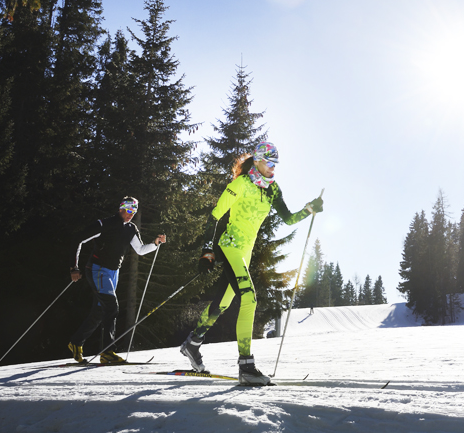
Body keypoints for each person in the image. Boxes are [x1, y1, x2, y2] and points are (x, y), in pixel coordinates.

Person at [180, 141, 322, 385]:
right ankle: (246, 366)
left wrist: (309, 209)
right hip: (230, 245)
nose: (273, 167)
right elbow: (214, 216)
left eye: (276, 163)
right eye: (269, 162)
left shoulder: (272, 189)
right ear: (256, 160)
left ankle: (192, 344)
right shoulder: (241, 184)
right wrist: (207, 251)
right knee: (249, 298)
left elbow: (287, 219)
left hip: (245, 252)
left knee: (222, 304)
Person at [68, 196, 166, 364]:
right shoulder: (104, 224)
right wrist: (74, 267)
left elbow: (140, 250)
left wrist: (155, 243)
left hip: (114, 272)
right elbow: (78, 240)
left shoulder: (131, 228)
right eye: (128, 210)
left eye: (133, 212)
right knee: (112, 307)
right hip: (97, 270)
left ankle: (76, 343)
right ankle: (108, 352)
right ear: (120, 209)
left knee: (100, 311)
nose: (130, 214)